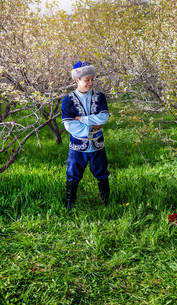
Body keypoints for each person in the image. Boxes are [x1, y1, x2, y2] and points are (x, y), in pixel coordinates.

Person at [61, 61, 111, 211]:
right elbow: (70, 125)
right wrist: (93, 126)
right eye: (86, 80)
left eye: (92, 79)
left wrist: (82, 119)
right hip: (77, 145)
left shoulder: (99, 96)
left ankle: (106, 201)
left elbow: (104, 118)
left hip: (97, 144)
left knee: (102, 172)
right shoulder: (68, 100)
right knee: (73, 173)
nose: (90, 83)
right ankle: (70, 202)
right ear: (77, 80)